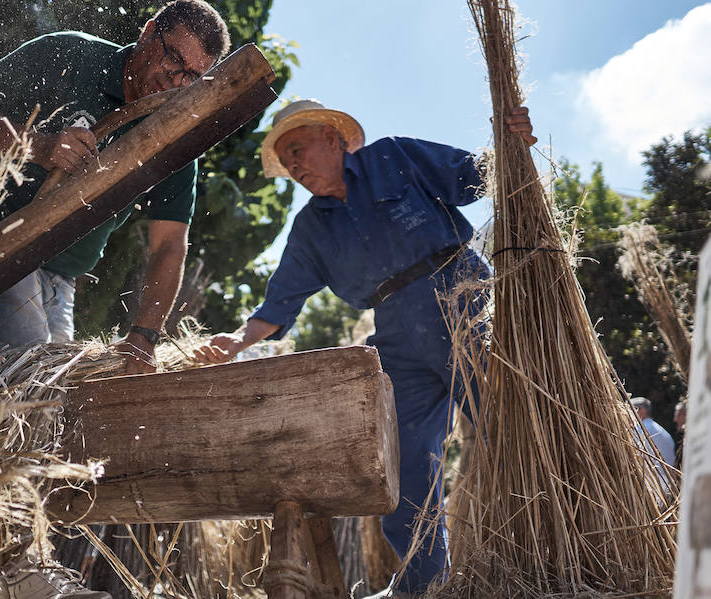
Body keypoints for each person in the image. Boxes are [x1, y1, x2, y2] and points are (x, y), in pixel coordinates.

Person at [192, 99, 535, 597]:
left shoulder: (394, 157)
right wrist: (236, 341)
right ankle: (424, 584)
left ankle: (548, 550)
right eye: (286, 160)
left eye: (297, 148)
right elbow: (279, 301)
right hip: (396, 332)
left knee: (511, 425)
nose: (293, 165)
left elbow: (476, 175)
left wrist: (513, 141)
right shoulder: (312, 227)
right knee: (403, 461)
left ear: (332, 138)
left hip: (463, 296)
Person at [0, 0, 230, 374]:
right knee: (32, 385)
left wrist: (144, 336)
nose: (175, 81)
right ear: (148, 32)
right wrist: (40, 147)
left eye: (192, 76)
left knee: (63, 403)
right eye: (174, 58)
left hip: (61, 283)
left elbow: (170, 244)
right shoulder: (73, 54)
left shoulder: (175, 131)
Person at [631, 396, 676, 467]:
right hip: (665, 476)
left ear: (642, 410)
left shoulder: (641, 429)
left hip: (649, 476)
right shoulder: (661, 430)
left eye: (631, 410)